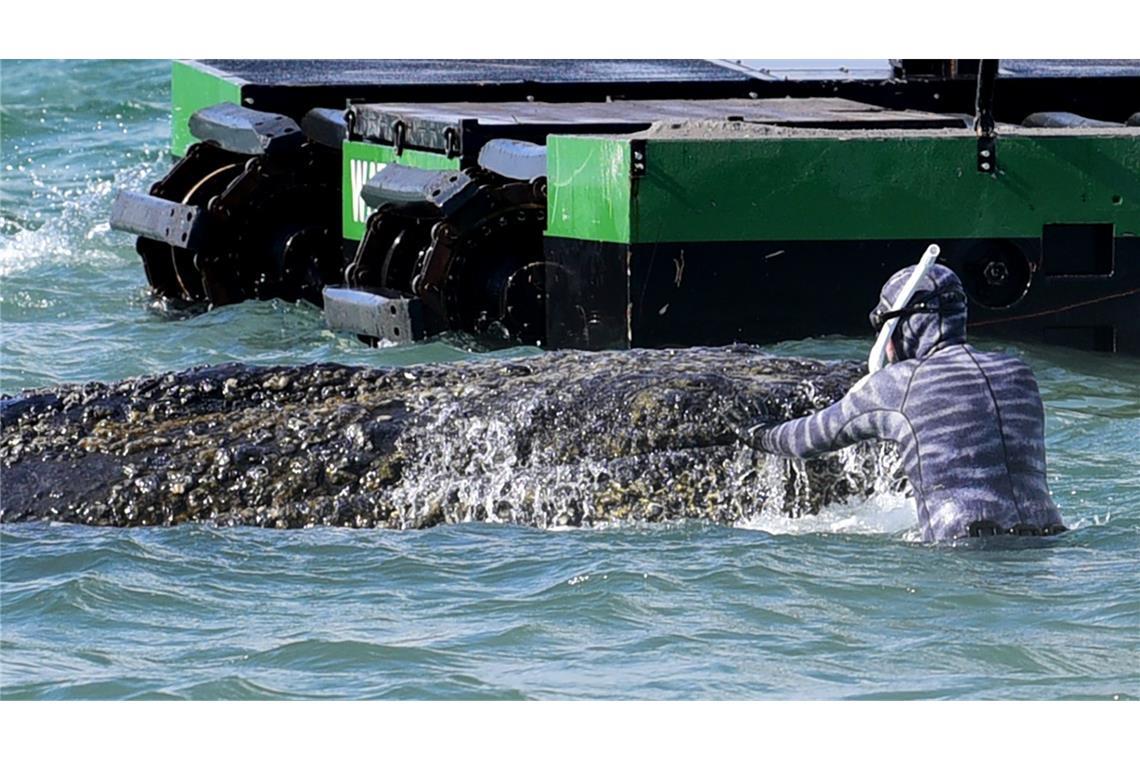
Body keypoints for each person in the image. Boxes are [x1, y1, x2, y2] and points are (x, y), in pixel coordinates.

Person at [730, 263, 1066, 541]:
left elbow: (804, 441)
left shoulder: (899, 383)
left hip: (962, 547)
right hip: (1048, 538)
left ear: (902, 327)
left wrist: (752, 430)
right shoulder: (1018, 373)